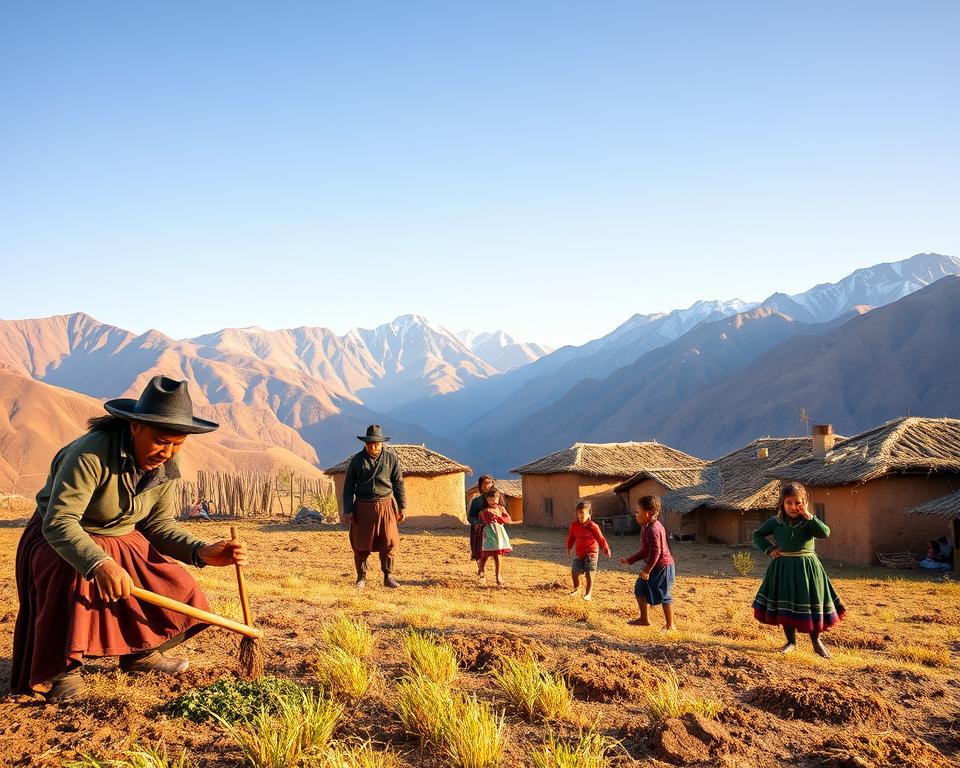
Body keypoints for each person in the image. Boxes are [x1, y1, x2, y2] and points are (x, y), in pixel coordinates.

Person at [11, 376, 248, 701]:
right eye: (161, 441)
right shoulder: (89, 456)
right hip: (60, 538)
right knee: (74, 577)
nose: (167, 452)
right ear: (135, 426)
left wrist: (202, 551)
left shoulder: (166, 465)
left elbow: (157, 524)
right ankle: (63, 671)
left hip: (122, 536)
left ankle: (141, 653)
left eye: (177, 444)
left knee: (174, 582)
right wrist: (98, 563)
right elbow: (60, 521)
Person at [752, 481, 845, 657]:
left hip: (808, 569)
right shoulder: (775, 522)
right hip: (784, 567)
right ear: (782, 503)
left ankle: (816, 641)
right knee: (785, 604)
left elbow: (825, 533)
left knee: (810, 604)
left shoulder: (810, 521)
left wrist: (809, 516)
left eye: (798, 502)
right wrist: (770, 549)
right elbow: (757, 535)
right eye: (789, 503)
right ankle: (790, 642)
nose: (794, 507)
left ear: (805, 503)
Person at [343, 424, 406, 590]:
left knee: (389, 542)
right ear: (365, 444)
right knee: (361, 544)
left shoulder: (391, 458)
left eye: (376, 444)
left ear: (382, 444)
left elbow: (398, 483)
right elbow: (348, 486)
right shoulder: (357, 460)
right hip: (363, 507)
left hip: (386, 505)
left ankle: (388, 576)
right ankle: (361, 577)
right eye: (370, 444)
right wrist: (349, 509)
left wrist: (401, 506)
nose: (373, 447)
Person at [619, 495, 675, 630]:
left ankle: (670, 625)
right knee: (639, 588)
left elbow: (657, 553)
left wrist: (646, 570)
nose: (636, 514)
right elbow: (645, 550)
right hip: (652, 565)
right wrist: (630, 560)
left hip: (662, 567)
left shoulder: (653, 529)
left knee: (663, 595)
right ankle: (644, 619)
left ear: (648, 513)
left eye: (638, 511)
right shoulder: (646, 527)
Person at [565, 500, 611, 601]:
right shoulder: (575, 525)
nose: (580, 518)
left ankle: (588, 593)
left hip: (591, 553)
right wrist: (568, 547)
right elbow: (571, 537)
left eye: (583, 515)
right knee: (574, 570)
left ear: (589, 513)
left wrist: (606, 549)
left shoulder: (593, 526)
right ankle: (577, 588)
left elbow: (600, 538)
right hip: (580, 553)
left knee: (589, 572)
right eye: (578, 515)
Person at [478, 487, 513, 587]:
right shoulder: (485, 510)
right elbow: (484, 520)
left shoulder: (501, 508)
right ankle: (481, 574)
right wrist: (489, 517)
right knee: (485, 556)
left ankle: (498, 577)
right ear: (486, 500)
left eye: (494, 499)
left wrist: (500, 518)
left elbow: (508, 519)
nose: (492, 502)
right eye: (489, 500)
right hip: (489, 534)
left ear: (498, 498)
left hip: (499, 534)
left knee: (498, 556)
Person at [467, 475, 495, 570]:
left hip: (494, 529)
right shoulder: (476, 501)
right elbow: (471, 517)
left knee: (496, 553)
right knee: (480, 552)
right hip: (480, 530)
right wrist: (480, 522)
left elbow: (502, 511)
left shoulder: (497, 499)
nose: (486, 486)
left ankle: (498, 576)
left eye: (489, 483)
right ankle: (481, 572)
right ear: (480, 486)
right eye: (484, 484)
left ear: (492, 484)